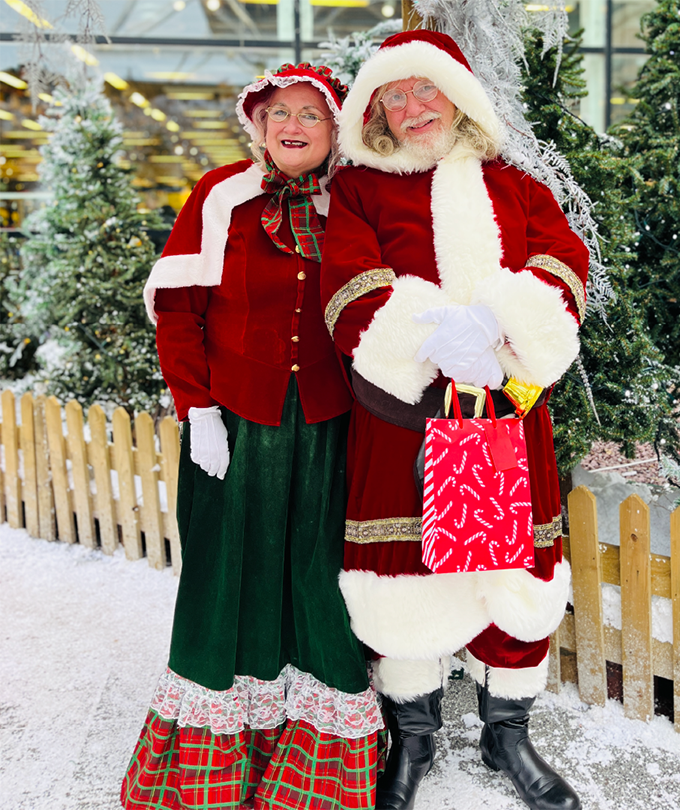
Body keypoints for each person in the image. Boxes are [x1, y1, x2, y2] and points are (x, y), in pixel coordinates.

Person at [320, 30, 588, 810]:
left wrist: (503, 328)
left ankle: (508, 733)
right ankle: (414, 734)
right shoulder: (361, 189)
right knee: (402, 576)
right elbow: (349, 287)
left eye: (424, 89)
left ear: (457, 95)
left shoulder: (516, 184)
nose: (412, 108)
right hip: (403, 417)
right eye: (393, 97)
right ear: (376, 114)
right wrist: (436, 333)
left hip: (505, 412)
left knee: (515, 571)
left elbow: (562, 260)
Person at [121, 62, 383, 810]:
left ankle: (315, 761)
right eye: (279, 113)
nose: (293, 125)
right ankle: (212, 761)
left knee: (316, 573)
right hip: (232, 421)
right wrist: (196, 409)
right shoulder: (219, 195)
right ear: (258, 125)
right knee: (225, 574)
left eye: (311, 113)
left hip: (332, 425)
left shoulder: (357, 202)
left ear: (337, 128)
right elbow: (177, 307)